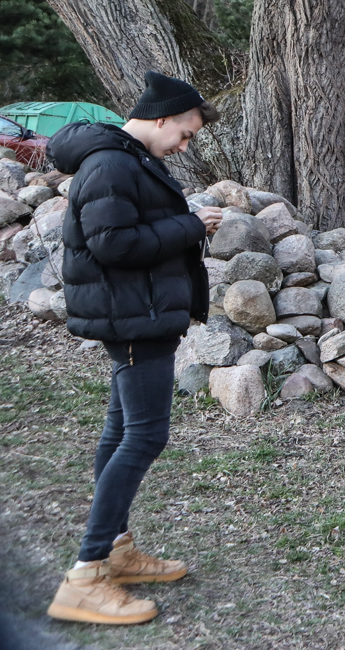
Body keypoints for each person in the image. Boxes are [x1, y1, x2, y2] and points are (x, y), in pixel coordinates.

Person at [42, 71, 224, 626]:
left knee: (122, 430)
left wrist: (184, 223)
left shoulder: (127, 160)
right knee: (145, 434)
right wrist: (190, 224)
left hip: (138, 312)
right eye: (186, 134)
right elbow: (112, 243)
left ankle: (115, 551)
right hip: (132, 319)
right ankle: (85, 575)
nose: (185, 145)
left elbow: (128, 228)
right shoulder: (112, 163)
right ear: (163, 118)